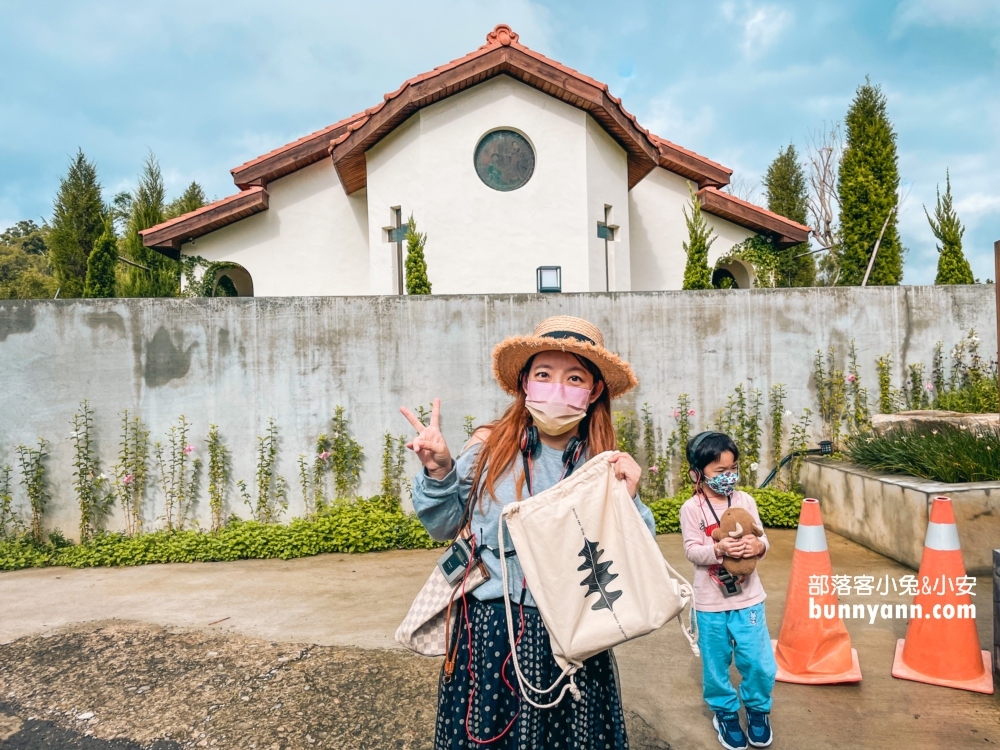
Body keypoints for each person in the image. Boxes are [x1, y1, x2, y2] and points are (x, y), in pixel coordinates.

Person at [402, 315, 656, 750]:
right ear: (524, 383)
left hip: (575, 630)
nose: (557, 388)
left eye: (574, 377)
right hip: (490, 629)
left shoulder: (604, 465)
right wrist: (439, 469)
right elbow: (443, 525)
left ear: (594, 391)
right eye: (544, 374)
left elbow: (637, 557)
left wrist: (629, 501)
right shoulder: (487, 449)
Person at [680, 431, 776, 750]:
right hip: (710, 605)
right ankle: (725, 713)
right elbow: (693, 550)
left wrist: (757, 545)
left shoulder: (745, 500)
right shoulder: (692, 509)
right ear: (697, 473)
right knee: (716, 663)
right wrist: (718, 549)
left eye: (732, 469)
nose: (728, 477)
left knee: (759, 661)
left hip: (749, 600)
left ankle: (758, 710)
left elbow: (763, 539)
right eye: (720, 471)